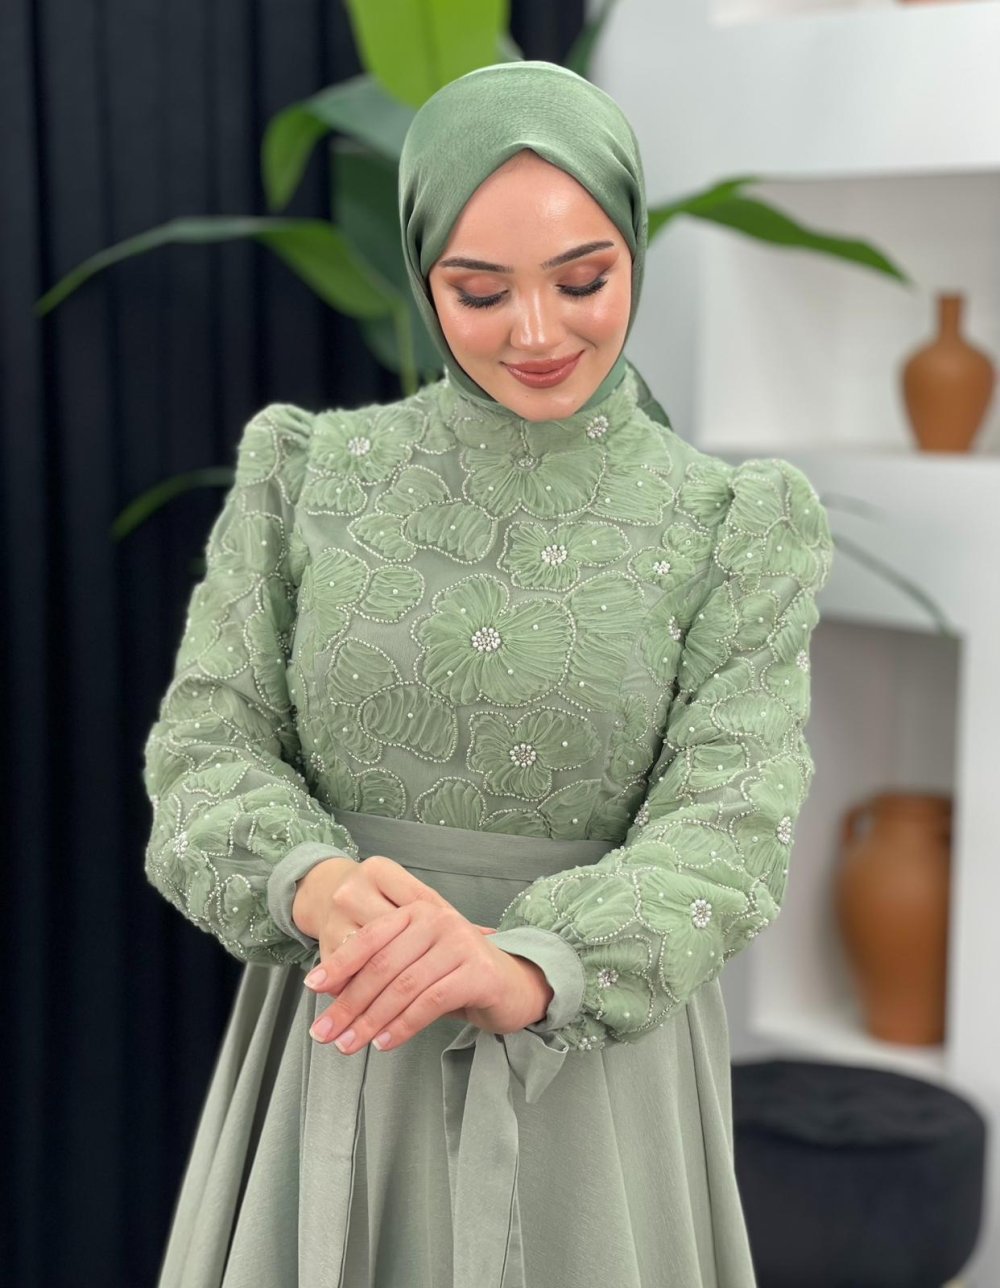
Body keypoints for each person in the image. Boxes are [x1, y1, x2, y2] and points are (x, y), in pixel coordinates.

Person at [142, 59, 833, 1288]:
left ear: (633, 254)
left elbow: (729, 823)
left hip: (590, 1081)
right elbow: (204, 751)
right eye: (479, 290)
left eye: (583, 280)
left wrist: (527, 965)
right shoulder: (305, 474)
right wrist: (319, 887)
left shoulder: (735, 522)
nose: (538, 332)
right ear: (424, 277)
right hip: (344, 1033)